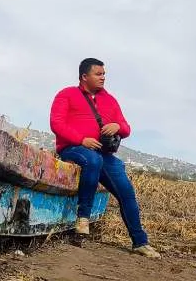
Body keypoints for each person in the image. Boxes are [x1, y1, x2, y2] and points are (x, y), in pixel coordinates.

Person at [50, 58, 160, 258]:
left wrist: (118, 127)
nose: (103, 78)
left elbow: (126, 127)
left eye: (104, 74)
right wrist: (82, 140)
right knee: (93, 160)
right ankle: (83, 218)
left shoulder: (110, 100)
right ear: (84, 76)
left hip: (104, 154)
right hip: (74, 149)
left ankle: (140, 242)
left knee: (127, 192)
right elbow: (56, 123)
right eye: (98, 74)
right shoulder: (66, 94)